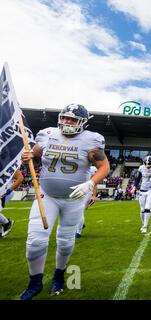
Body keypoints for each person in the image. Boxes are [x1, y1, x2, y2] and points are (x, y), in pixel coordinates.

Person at [19, 104, 110, 300]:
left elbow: (104, 166)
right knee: (35, 241)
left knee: (65, 242)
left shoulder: (91, 140)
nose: (67, 122)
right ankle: (34, 282)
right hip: (47, 195)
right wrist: (27, 156)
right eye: (65, 118)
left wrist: (91, 183)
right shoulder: (47, 134)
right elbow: (33, 157)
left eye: (73, 119)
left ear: (83, 123)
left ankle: (59, 275)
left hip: (74, 199)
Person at [134, 155, 151, 233]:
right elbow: (138, 179)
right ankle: (143, 224)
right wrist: (134, 187)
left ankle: (145, 226)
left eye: (149, 165)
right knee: (142, 209)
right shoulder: (141, 168)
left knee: (147, 208)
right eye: (146, 164)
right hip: (142, 190)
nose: (147, 166)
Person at [0, 169, 24, 238]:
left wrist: (8, 190)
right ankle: (4, 225)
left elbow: (20, 178)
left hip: (5, 192)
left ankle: (6, 223)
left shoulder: (10, 163)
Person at [75, 165, 97, 238]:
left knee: (79, 211)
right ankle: (82, 224)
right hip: (79, 191)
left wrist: (94, 196)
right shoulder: (79, 166)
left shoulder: (92, 168)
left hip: (87, 192)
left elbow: (94, 182)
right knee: (75, 210)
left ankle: (78, 232)